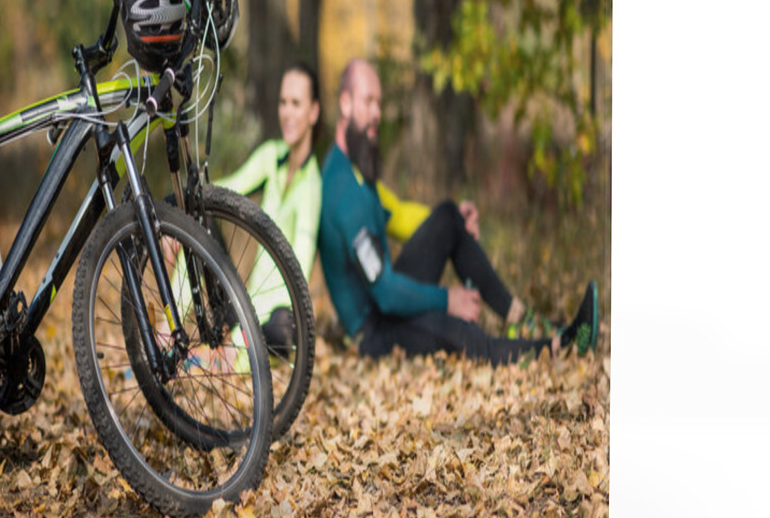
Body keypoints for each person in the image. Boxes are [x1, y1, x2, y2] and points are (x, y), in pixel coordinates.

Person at [318, 58, 598, 366]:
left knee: (448, 217)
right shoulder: (342, 190)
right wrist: (447, 300)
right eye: (368, 102)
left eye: (379, 103)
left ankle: (520, 318)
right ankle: (562, 345)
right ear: (345, 104)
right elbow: (385, 292)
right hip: (375, 332)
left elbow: (394, 213)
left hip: (385, 301)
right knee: (462, 333)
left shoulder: (354, 170)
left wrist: (456, 224)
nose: (377, 114)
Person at [217, 62, 322, 349]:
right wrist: (177, 214)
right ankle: (167, 333)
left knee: (285, 327)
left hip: (272, 318)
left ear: (313, 112)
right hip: (243, 306)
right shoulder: (270, 156)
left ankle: (237, 348)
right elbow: (220, 192)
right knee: (199, 220)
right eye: (283, 102)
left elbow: (296, 279)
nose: (287, 113)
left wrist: (238, 340)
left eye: (296, 104)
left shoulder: (312, 187)